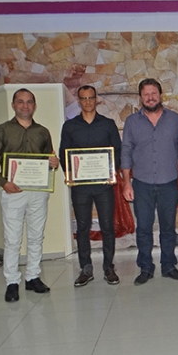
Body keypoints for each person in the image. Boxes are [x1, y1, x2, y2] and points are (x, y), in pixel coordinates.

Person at [0, 88, 59, 302]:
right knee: (13, 239)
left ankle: (33, 277)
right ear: (14, 105)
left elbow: (49, 160)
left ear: (34, 106)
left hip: (38, 192)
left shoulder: (43, 131)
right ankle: (12, 281)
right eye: (20, 102)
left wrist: (54, 163)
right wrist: (3, 182)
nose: (25, 106)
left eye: (29, 102)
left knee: (36, 236)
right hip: (13, 192)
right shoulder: (2, 130)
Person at [121, 78, 178, 285]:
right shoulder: (131, 122)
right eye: (146, 94)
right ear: (141, 97)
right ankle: (146, 268)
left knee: (168, 227)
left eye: (154, 93)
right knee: (144, 228)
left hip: (169, 182)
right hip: (141, 183)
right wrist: (126, 182)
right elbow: (126, 152)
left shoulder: (175, 119)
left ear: (161, 95)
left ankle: (168, 266)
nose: (150, 97)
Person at [59, 85, 122, 287]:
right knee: (83, 227)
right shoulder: (69, 127)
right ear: (79, 101)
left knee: (107, 226)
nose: (87, 102)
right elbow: (64, 154)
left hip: (104, 186)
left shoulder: (108, 124)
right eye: (83, 98)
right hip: (81, 188)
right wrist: (71, 175)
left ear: (97, 100)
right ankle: (86, 268)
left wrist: (111, 171)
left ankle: (108, 267)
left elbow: (117, 153)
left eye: (90, 98)